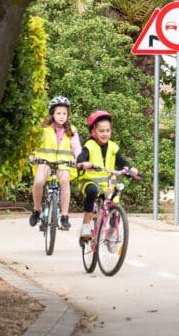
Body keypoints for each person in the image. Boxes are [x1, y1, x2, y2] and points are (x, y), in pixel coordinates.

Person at [75, 111, 137, 241]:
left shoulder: (113, 147)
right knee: (92, 191)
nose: (105, 134)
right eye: (101, 131)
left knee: (116, 202)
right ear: (93, 132)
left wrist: (129, 169)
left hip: (108, 186)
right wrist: (83, 163)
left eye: (108, 131)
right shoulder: (89, 146)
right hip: (90, 182)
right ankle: (86, 224)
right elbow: (80, 159)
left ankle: (112, 232)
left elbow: (122, 161)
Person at [31, 96, 81, 231]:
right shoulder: (44, 128)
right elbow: (34, 143)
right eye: (59, 113)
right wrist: (32, 155)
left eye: (64, 113)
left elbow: (77, 147)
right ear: (52, 114)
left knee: (64, 181)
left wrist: (79, 159)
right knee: (38, 181)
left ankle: (64, 216)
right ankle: (37, 209)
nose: (62, 116)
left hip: (63, 163)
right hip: (45, 161)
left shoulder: (72, 130)